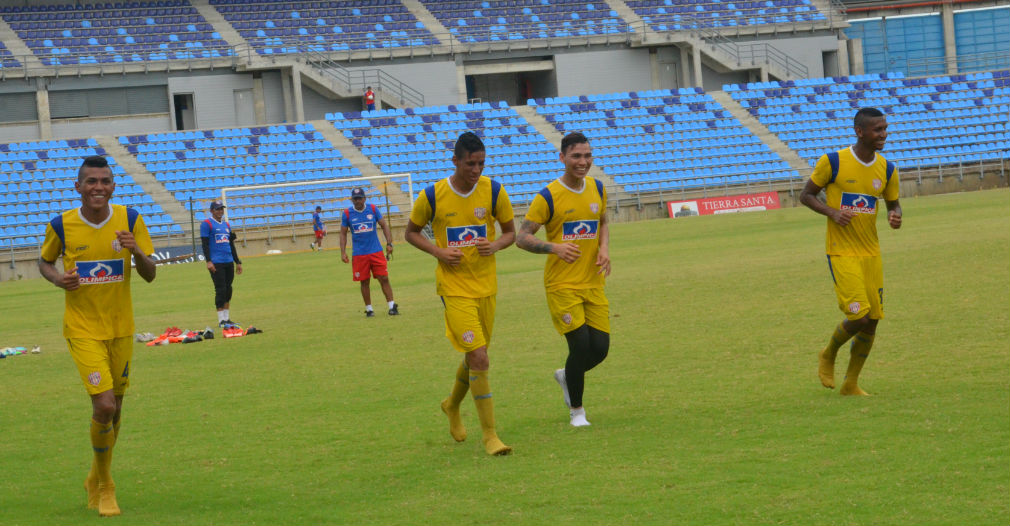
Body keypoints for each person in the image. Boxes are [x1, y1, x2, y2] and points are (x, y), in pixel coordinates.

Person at [38, 155, 157, 517]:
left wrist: (136, 250)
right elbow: (44, 261)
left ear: (113, 186)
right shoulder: (62, 225)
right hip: (83, 329)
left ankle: (95, 476)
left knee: (116, 408)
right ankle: (106, 486)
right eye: (91, 181)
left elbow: (150, 274)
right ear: (78, 187)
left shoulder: (130, 220)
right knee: (104, 405)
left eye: (104, 181)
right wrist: (59, 279)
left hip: (121, 328)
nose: (98, 187)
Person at [404, 131, 515, 455]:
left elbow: (510, 233)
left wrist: (493, 245)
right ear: (455, 161)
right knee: (480, 356)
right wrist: (439, 252)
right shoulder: (433, 196)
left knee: (474, 357)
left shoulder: (494, 191)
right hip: (453, 289)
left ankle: (451, 405)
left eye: (481, 163)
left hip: (486, 287)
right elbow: (410, 233)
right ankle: (491, 437)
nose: (476, 170)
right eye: (470, 163)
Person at [799, 107, 902, 396]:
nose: (883, 134)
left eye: (884, 128)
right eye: (877, 130)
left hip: (872, 253)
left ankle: (851, 383)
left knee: (872, 323)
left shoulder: (887, 168)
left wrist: (896, 215)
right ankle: (829, 353)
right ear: (859, 132)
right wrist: (832, 212)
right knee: (859, 317)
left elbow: (893, 203)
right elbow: (806, 195)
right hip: (842, 251)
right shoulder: (833, 162)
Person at [516, 132, 611, 427]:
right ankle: (577, 412)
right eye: (576, 156)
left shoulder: (597, 187)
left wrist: (604, 248)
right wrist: (554, 247)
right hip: (561, 285)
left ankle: (566, 376)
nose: (583, 162)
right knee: (580, 345)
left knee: (601, 349)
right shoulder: (548, 196)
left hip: (593, 281)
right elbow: (522, 238)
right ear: (562, 158)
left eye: (587, 156)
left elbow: (603, 221)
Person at [340, 187, 398, 317]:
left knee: (384, 278)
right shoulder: (347, 214)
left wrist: (389, 243)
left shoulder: (372, 209)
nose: (357, 201)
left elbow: (384, 225)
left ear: (364, 198)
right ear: (352, 200)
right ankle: (369, 309)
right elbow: (343, 234)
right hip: (359, 254)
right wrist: (343, 252)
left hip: (376, 251)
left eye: (360, 198)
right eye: (355, 199)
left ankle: (392, 306)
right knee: (364, 281)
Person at [200, 200, 243, 327]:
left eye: (221, 209)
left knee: (228, 289)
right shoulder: (207, 224)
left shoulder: (226, 225)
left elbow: (231, 244)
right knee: (220, 289)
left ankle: (227, 318)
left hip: (228, 260)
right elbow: (205, 244)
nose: (220, 211)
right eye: (217, 209)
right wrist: (208, 261)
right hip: (216, 262)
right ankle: (221, 320)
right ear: (212, 211)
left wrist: (237, 261)